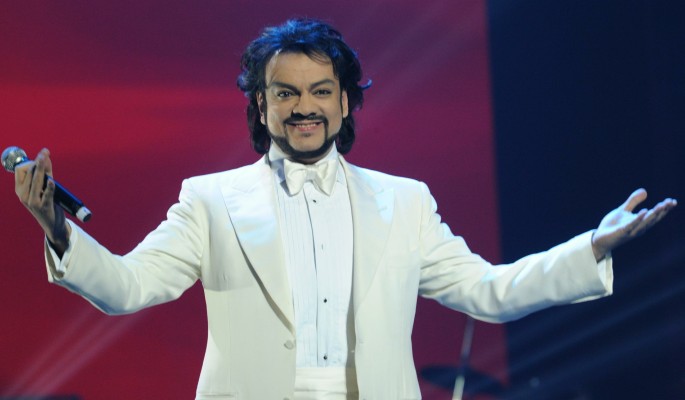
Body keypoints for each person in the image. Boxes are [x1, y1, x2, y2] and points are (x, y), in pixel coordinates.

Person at [13, 19, 676, 400]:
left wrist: (591, 247)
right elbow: (128, 288)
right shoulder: (209, 199)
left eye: (321, 91)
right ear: (260, 105)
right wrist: (57, 228)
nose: (304, 107)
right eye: (284, 93)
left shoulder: (405, 200)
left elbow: (489, 292)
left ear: (346, 101)